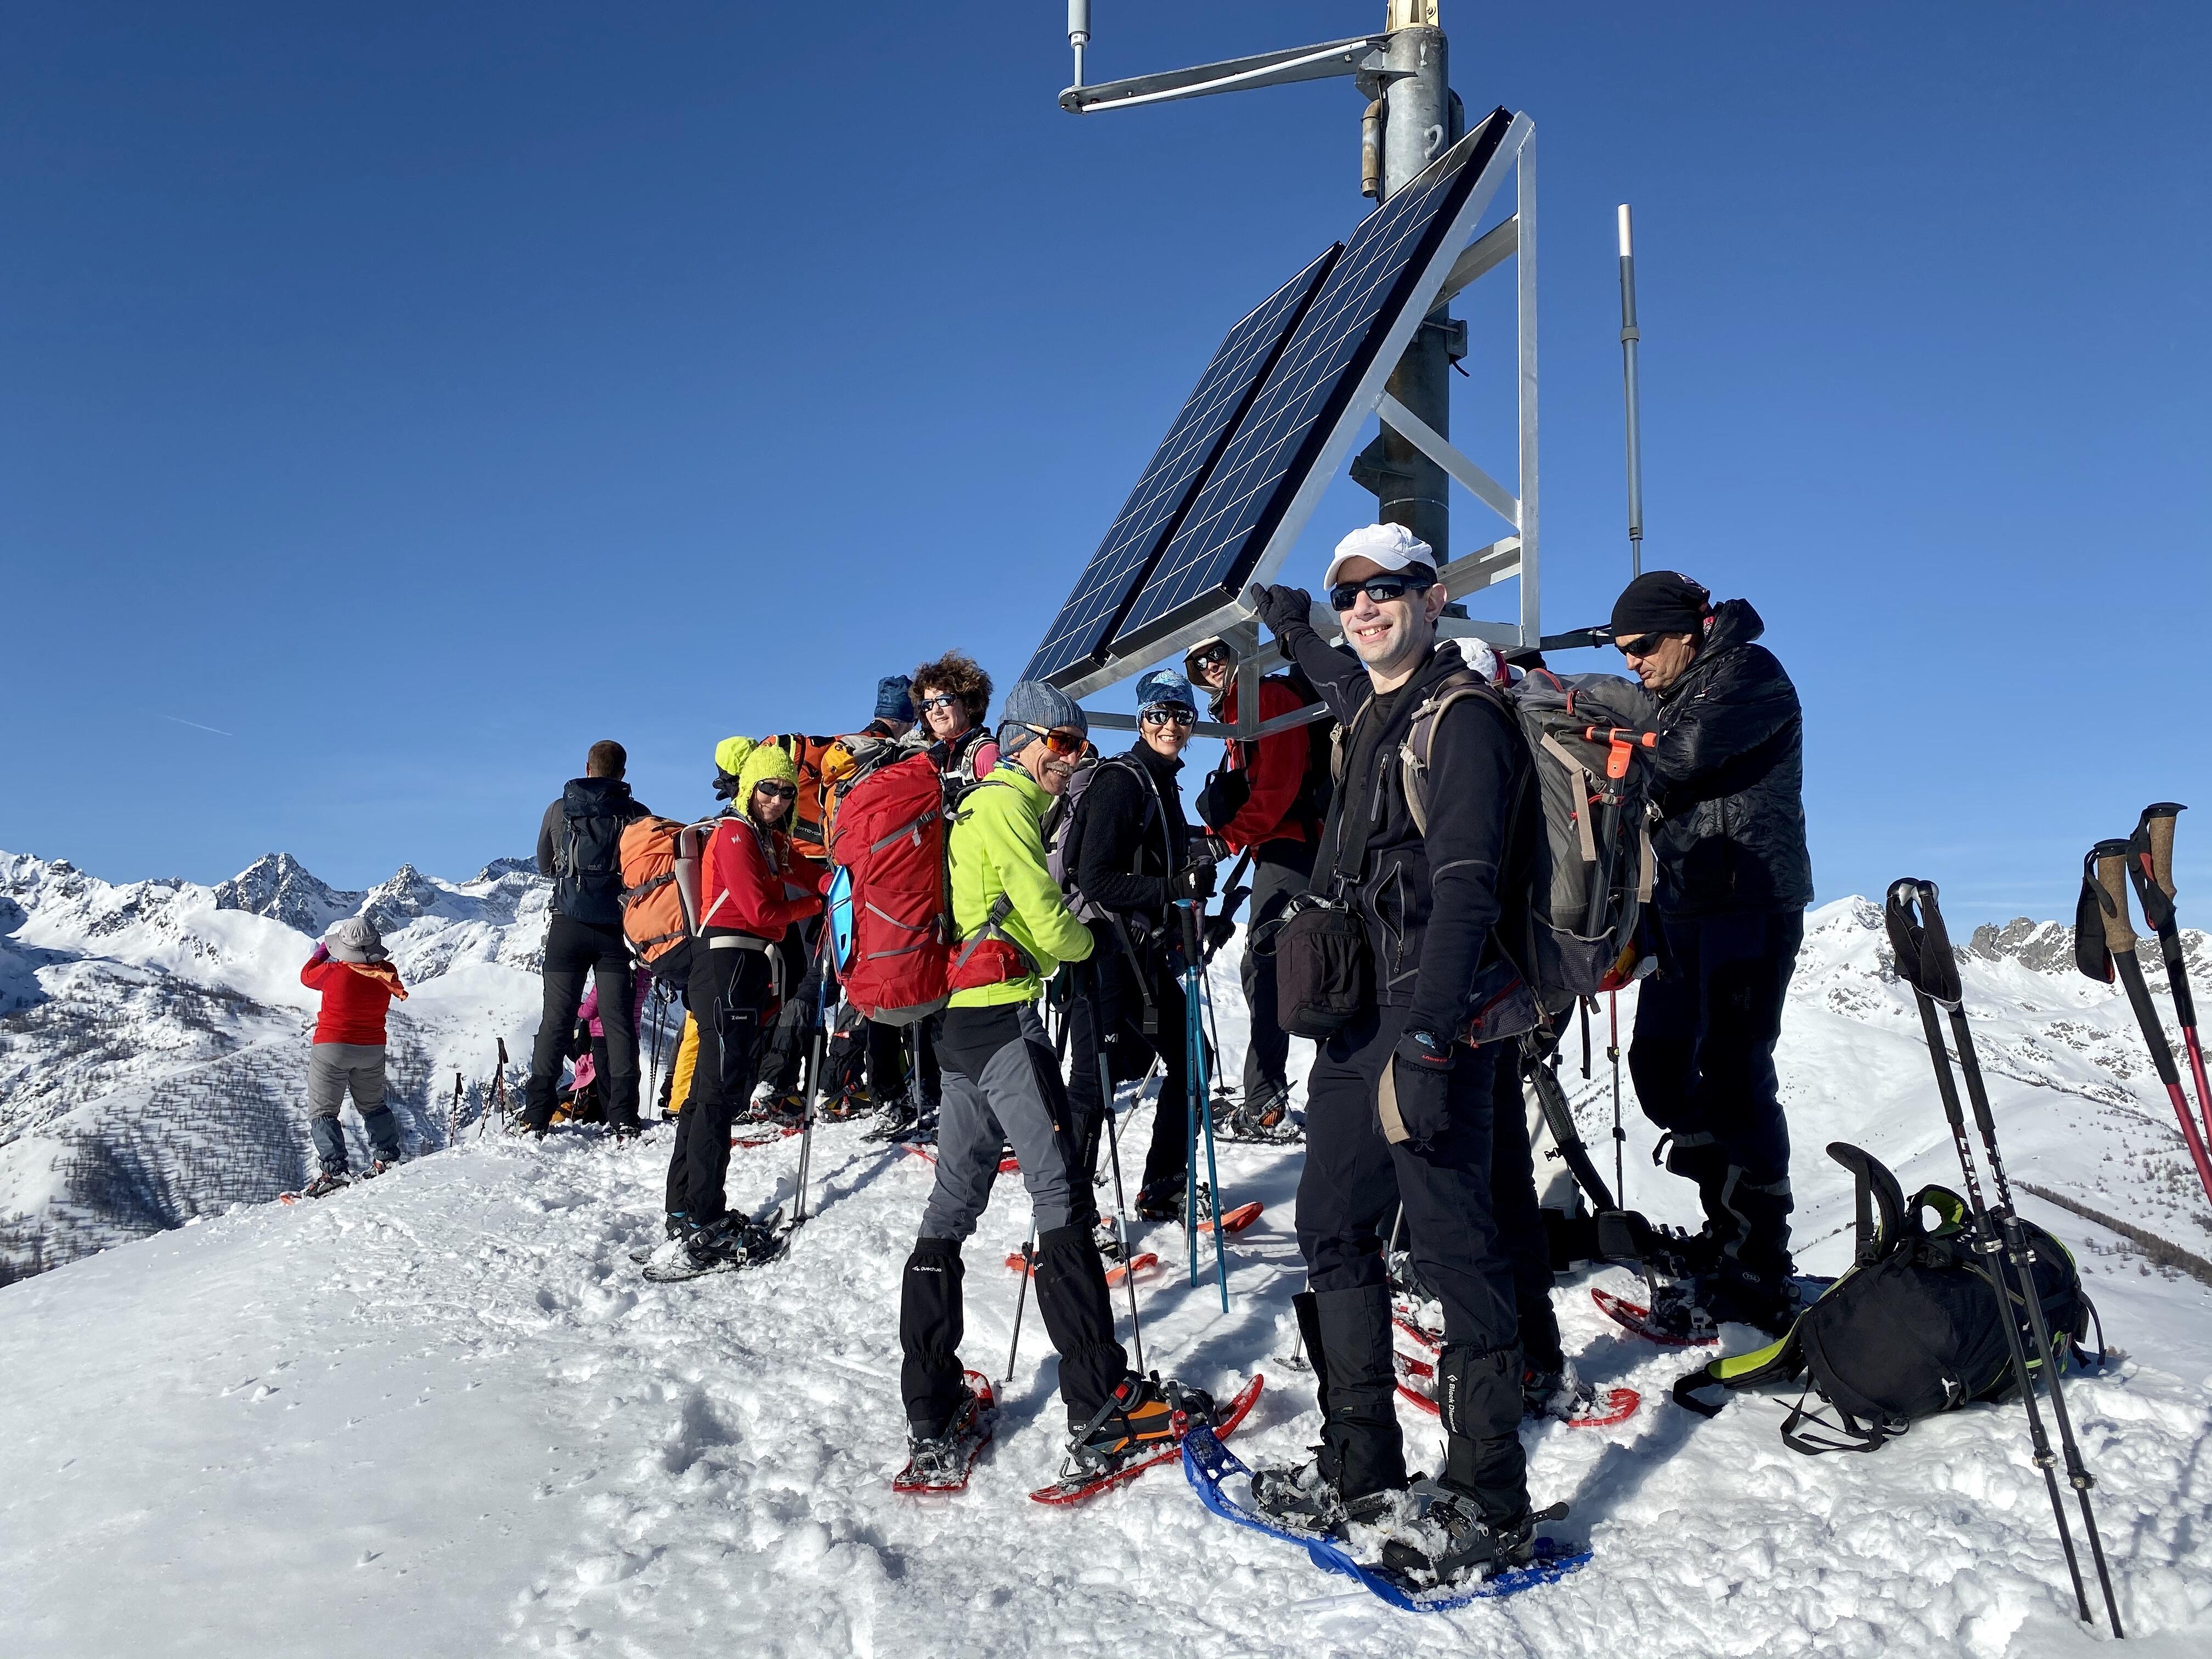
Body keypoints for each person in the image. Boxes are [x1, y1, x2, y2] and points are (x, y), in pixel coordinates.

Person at [1239, 522, 1559, 1586]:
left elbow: (1466, 886)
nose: (1365, 606)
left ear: (1432, 598)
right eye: (1349, 594)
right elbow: (1340, 675)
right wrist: (1294, 625)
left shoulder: (1463, 720)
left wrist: (1428, 1035)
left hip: (1435, 1019)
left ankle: (1488, 1498)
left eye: (1388, 588)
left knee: (1456, 1249)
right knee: (1331, 1225)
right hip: (1354, 1020)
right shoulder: (1375, 705)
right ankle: (1360, 1463)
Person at [899, 680, 1212, 1486]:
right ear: (1023, 740)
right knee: (1062, 1198)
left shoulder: (971, 806)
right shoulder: (1006, 804)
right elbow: (1045, 917)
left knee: (951, 1206)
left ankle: (930, 1405)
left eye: (1079, 747)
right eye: (1062, 745)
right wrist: (1085, 946)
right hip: (1005, 1022)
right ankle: (1102, 1403)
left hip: (958, 1027)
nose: (1071, 761)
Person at [1611, 569, 1812, 1335]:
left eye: (1642, 646)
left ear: (1689, 632)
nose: (1634, 662)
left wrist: (1599, 734)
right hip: (1685, 905)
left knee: (1734, 1073)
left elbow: (1681, 757)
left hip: (1749, 904)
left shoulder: (1750, 673)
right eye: (1623, 652)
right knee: (1659, 1067)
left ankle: (1759, 1260)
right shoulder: (1675, 690)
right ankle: (1725, 1225)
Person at [660, 742, 828, 1269]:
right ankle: (704, 1218)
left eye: (786, 792)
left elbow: (809, 873)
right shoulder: (735, 834)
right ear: (749, 787)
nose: (777, 800)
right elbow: (759, 911)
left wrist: (837, 880)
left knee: (708, 1094)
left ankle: (685, 1211)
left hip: (739, 971)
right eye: (768, 789)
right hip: (728, 967)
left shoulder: (768, 840)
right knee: (718, 1096)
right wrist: (818, 903)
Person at [1061, 668, 1210, 1224]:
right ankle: (1069, 1219)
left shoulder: (1164, 783)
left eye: (1181, 714)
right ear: (1141, 719)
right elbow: (1095, 877)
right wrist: (1171, 889)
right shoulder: (1122, 782)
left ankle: (1164, 1185)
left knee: (1193, 1059)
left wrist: (1186, 914)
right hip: (1103, 953)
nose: (1171, 724)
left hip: (1140, 954)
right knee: (1091, 1083)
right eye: (1158, 713)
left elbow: (1155, 873)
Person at [1186, 634, 1330, 1138]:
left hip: (1296, 847)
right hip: (1282, 848)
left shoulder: (1268, 697)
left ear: (1240, 652)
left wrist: (1226, 841)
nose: (1209, 665)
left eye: (1217, 653)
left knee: (1271, 967)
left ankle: (1268, 1103)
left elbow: (1278, 786)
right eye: (1199, 661)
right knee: (1293, 966)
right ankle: (1304, 1094)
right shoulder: (1240, 708)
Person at [759, 676, 918, 1118]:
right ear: (908, 718)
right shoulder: (892, 757)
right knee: (860, 976)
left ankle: (777, 1079)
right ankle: (840, 1082)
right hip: (864, 882)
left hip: (820, 874)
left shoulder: (840, 750)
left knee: (815, 979)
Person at [527, 740, 648, 1137]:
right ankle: (624, 1117)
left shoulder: (559, 809)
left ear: (587, 768)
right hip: (615, 930)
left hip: (567, 927)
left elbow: (545, 864)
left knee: (556, 1021)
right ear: (623, 774)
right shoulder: (637, 813)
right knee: (618, 1023)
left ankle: (536, 1115)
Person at [296, 916, 409, 1198]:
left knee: (323, 1111)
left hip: (332, 1047)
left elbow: (306, 975)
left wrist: (324, 950)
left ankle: (335, 1172)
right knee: (373, 1105)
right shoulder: (387, 973)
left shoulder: (332, 972)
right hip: (372, 1048)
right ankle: (387, 1158)